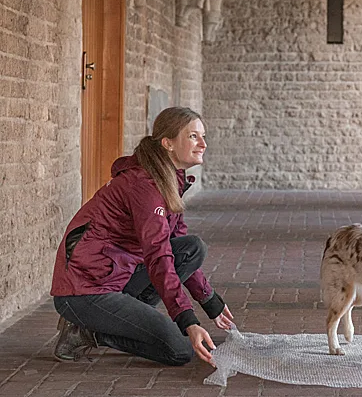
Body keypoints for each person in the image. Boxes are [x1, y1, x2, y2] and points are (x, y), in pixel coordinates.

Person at [50, 107, 235, 366]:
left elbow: (174, 245)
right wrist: (187, 320)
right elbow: (159, 256)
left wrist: (210, 300)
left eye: (203, 136)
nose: (203, 144)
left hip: (117, 275)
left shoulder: (169, 178)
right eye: (193, 136)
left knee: (192, 247)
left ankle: (122, 320)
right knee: (180, 351)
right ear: (168, 143)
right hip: (86, 290)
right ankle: (89, 330)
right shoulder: (144, 186)